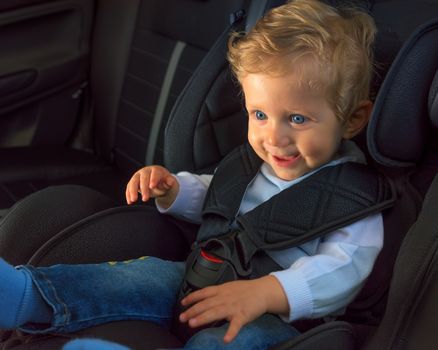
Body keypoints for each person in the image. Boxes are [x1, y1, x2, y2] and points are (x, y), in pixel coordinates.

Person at [0, 0, 384, 349]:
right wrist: (173, 190)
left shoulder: (353, 199)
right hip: (203, 279)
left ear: (352, 119)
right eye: (260, 115)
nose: (274, 137)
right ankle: (27, 296)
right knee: (141, 276)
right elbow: (216, 198)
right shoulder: (252, 165)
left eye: (298, 119)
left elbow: (342, 270)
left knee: (227, 344)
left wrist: (265, 294)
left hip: (280, 319)